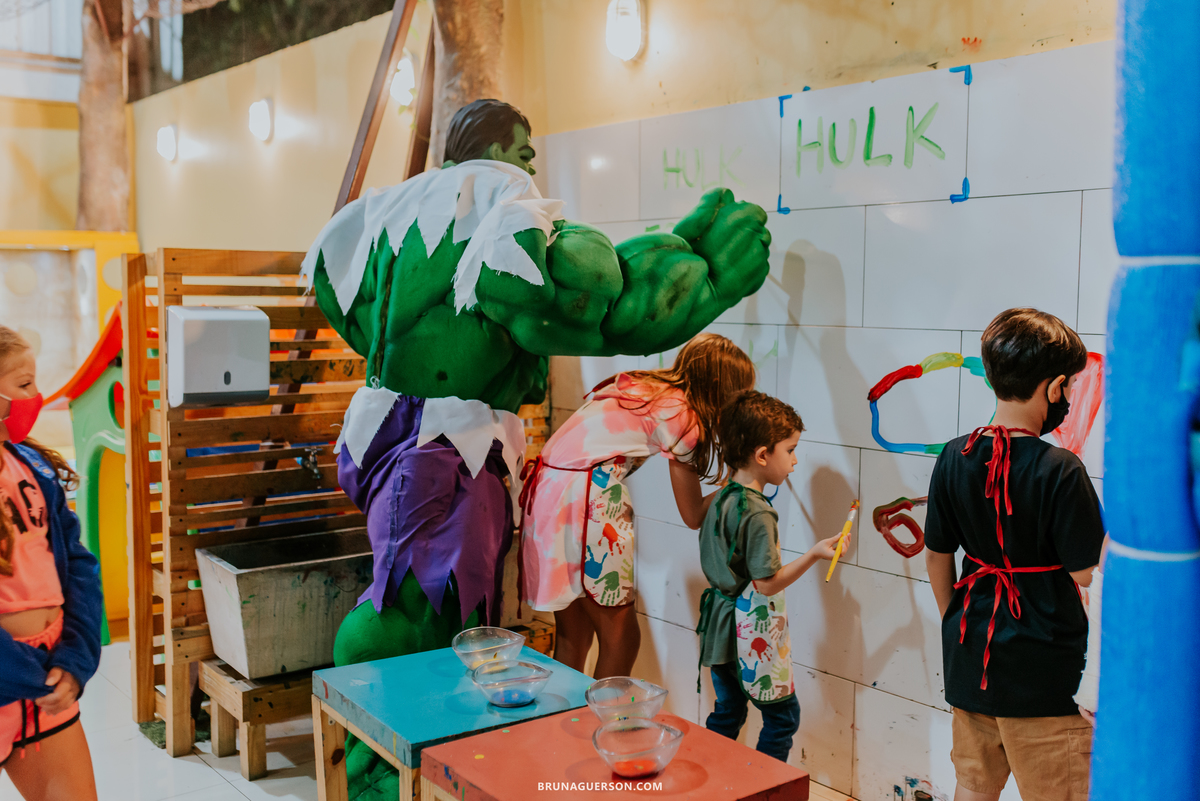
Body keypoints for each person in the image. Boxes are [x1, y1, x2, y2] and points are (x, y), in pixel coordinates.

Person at [304, 98, 771, 800]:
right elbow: (588, 304)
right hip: (444, 458)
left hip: (412, 443)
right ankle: (385, 780)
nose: (529, 165)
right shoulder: (491, 203)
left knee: (454, 623)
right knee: (419, 614)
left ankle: (419, 772)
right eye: (522, 151)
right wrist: (698, 272)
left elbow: (356, 308)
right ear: (490, 154)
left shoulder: (393, 218)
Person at [923, 308, 1105, 801]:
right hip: (1045, 675)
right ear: (1055, 387)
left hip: (970, 662)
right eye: (1068, 388)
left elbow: (936, 556)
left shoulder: (953, 456)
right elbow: (1088, 574)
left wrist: (955, 621)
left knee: (972, 790)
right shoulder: (1061, 469)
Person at [520, 333, 755, 677]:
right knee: (622, 639)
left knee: (574, 635)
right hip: (587, 499)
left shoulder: (646, 387)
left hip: (547, 491)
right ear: (720, 390)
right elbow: (692, 515)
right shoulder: (683, 418)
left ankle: (562, 725)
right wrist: (740, 479)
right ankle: (601, 727)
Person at [695, 390, 842, 763]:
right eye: (790, 450)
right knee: (782, 717)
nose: (794, 462)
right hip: (747, 629)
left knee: (728, 712)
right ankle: (766, 789)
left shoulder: (722, 496)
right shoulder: (759, 513)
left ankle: (714, 784)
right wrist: (815, 554)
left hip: (719, 629)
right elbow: (767, 583)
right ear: (763, 455)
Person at [0, 326, 103, 801]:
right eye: (23, 386)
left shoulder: (33, 469)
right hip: (22, 674)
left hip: (47, 684)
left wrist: (74, 658)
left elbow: (79, 565)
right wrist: (25, 672)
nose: (35, 398)